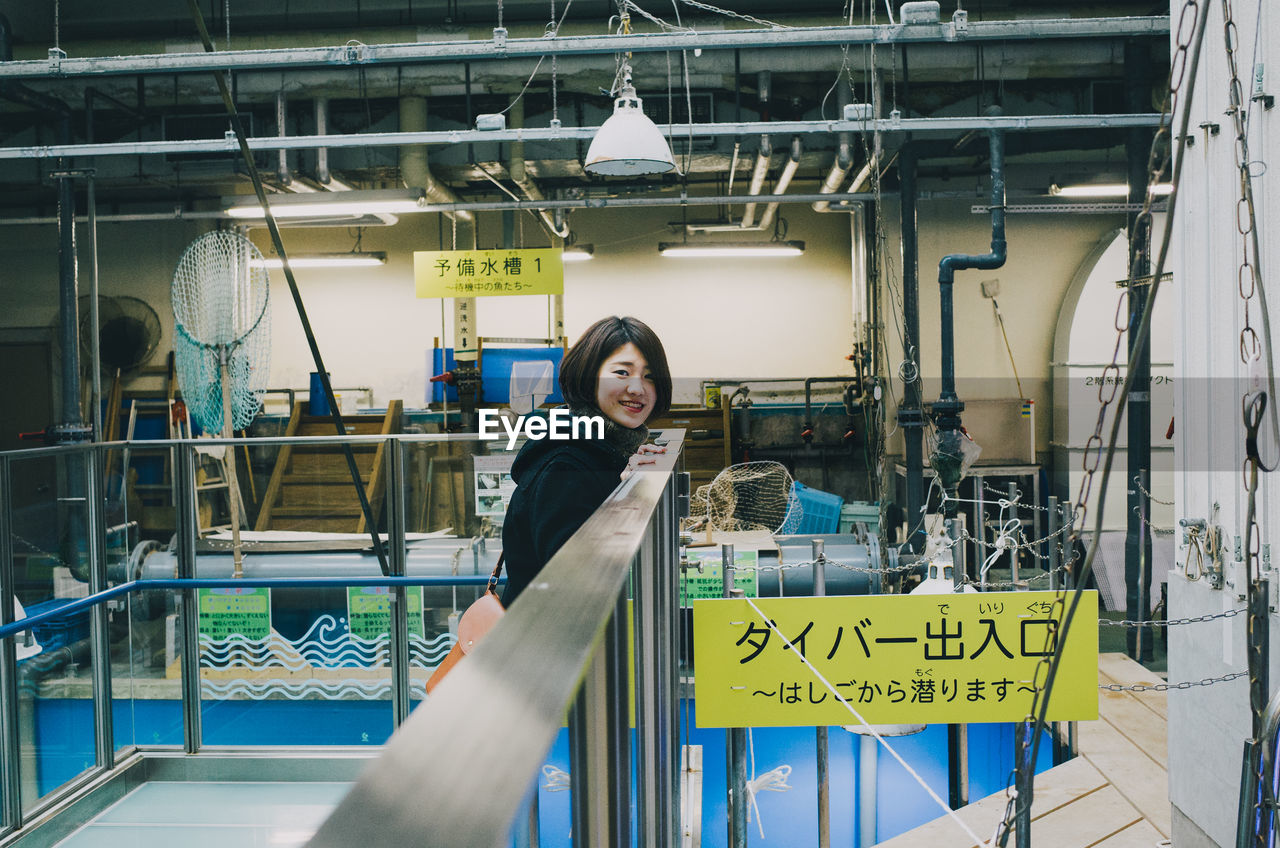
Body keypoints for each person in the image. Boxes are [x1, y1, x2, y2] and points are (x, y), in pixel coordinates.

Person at [499, 316, 672, 606]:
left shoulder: (601, 448)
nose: (637, 389)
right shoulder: (567, 464)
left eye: (650, 376)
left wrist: (628, 483)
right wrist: (628, 500)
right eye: (621, 373)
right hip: (547, 643)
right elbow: (575, 587)